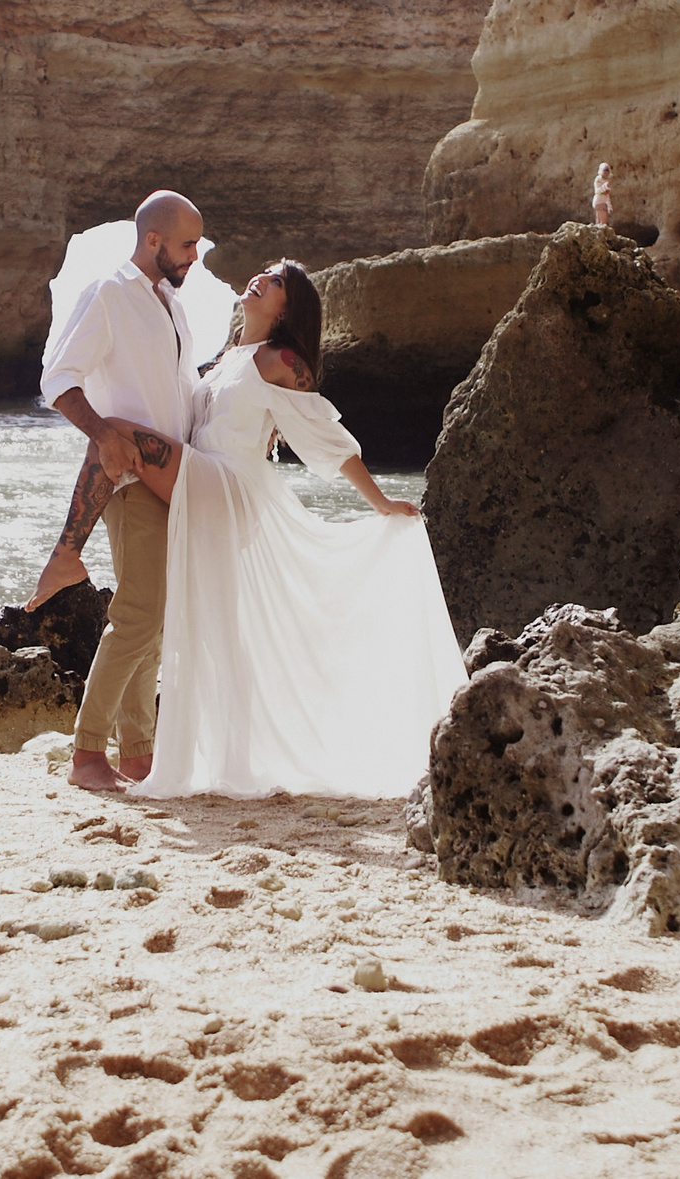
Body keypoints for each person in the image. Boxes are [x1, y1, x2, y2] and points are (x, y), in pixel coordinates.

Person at [28, 259, 465, 799]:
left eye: (276, 282)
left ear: (287, 310)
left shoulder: (282, 361)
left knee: (116, 434)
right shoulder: (225, 358)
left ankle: (66, 555)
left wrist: (378, 501)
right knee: (160, 616)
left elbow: (324, 435)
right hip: (200, 481)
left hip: (229, 486)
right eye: (264, 272)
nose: (261, 279)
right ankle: (142, 753)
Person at [34, 191, 205, 793]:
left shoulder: (172, 306)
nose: (194, 256)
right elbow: (58, 378)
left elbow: (180, 396)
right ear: (153, 240)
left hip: (171, 480)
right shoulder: (109, 293)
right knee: (139, 618)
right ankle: (87, 754)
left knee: (151, 624)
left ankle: (137, 754)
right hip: (132, 483)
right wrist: (103, 435)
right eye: (187, 245)